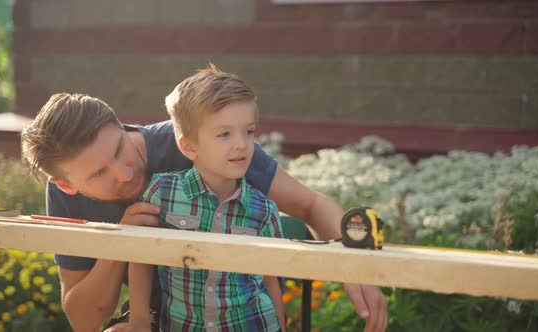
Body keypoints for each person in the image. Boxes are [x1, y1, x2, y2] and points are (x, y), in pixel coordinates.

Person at [21, 88, 387, 332]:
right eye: (99, 173)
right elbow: (84, 319)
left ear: (120, 124)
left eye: (119, 149)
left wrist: (359, 264)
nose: (124, 173)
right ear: (67, 184)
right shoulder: (64, 195)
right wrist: (122, 241)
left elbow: (312, 204)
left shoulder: (200, 141)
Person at [129, 64, 285, 332]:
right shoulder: (162, 192)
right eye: (224, 134)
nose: (242, 144)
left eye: (248, 131)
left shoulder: (264, 210)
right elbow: (141, 256)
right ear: (189, 146)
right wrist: (140, 320)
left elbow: (270, 280)